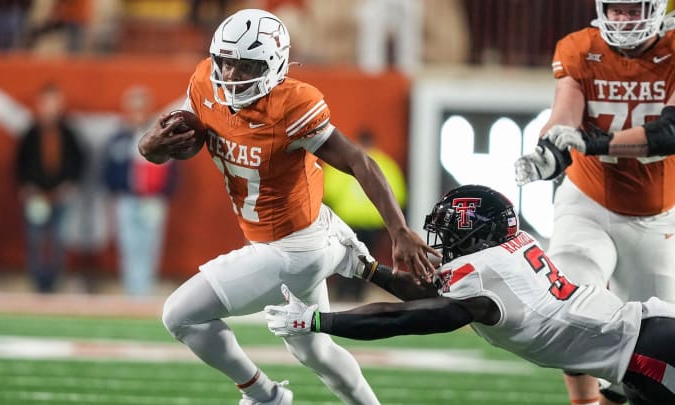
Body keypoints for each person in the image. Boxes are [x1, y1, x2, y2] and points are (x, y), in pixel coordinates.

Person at [136, 8, 437, 405]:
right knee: (316, 352)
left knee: (179, 314)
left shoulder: (292, 105)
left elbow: (360, 162)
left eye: (244, 67)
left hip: (292, 249)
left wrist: (399, 230)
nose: (228, 75)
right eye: (225, 62)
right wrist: (149, 148)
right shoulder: (204, 84)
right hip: (301, 235)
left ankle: (265, 395)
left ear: (273, 66)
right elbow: (166, 145)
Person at [264, 184, 675, 405]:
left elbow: (408, 318)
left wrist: (320, 320)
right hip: (640, 348)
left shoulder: (485, 274)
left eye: (453, 233)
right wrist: (368, 268)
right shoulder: (507, 251)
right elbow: (428, 297)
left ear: (479, 234)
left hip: (649, 354)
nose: (445, 243)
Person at [513, 1, 675, 404]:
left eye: (632, 9)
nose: (621, 19)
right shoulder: (578, 47)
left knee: (658, 343)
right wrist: (548, 154)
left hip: (657, 215)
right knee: (572, 301)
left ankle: (613, 396)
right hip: (589, 200)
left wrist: (592, 142)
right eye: (614, 9)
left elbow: (671, 132)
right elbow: (565, 115)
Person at [103, 86, 177, 297]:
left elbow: (173, 167)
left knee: (150, 245)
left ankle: (145, 289)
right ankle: (131, 290)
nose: (137, 113)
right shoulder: (120, 137)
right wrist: (115, 189)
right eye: (133, 108)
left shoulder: (161, 136)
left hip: (153, 200)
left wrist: (165, 193)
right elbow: (110, 168)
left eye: (141, 108)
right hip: (127, 198)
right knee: (128, 244)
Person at [15, 82, 85, 293]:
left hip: (60, 196)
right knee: (35, 240)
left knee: (58, 240)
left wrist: (70, 185)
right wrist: (27, 187)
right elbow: (21, 164)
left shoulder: (68, 133)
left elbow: (77, 162)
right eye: (48, 103)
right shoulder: (30, 133)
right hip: (36, 196)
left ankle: (54, 283)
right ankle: (38, 283)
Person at [323, 130, 407, 301]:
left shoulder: (343, 160)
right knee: (366, 262)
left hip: (347, 221)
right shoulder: (385, 164)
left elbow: (328, 192)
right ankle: (357, 296)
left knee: (343, 259)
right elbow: (398, 196)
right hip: (372, 223)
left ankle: (344, 295)